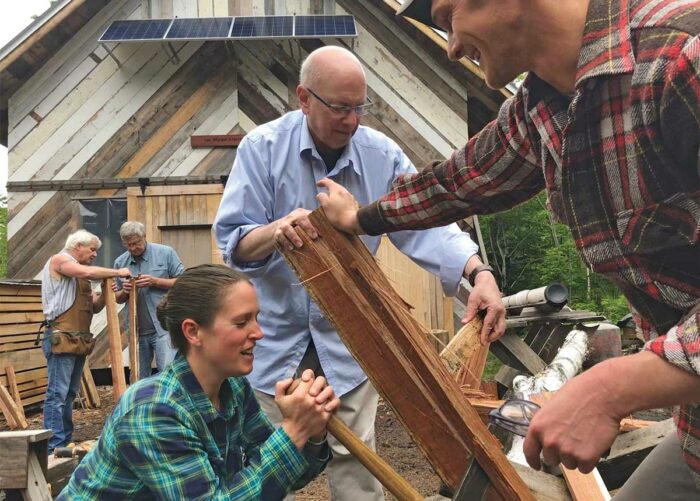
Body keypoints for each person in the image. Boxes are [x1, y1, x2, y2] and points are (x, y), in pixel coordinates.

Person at [317, 0, 700, 497]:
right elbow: (460, 181)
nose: (452, 48)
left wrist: (611, 388)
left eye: (447, 17)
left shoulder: (682, 57)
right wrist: (363, 218)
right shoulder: (543, 110)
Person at [213, 45, 505, 500]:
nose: (350, 121)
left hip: (349, 339)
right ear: (304, 98)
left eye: (358, 107)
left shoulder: (381, 155)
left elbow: (425, 225)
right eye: (339, 108)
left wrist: (477, 271)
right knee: (268, 459)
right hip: (270, 337)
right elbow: (234, 244)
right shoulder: (262, 149)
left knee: (358, 465)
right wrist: (275, 230)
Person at [58, 264, 339, 500]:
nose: (259, 333)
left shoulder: (234, 388)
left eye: (256, 318)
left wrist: (311, 431)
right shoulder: (155, 409)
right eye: (242, 323)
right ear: (193, 332)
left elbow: (282, 473)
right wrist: (293, 430)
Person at [41, 230, 131, 453]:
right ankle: (54, 444)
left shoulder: (81, 277)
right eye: (92, 249)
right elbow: (89, 271)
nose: (94, 254)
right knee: (57, 393)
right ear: (78, 245)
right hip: (62, 336)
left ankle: (65, 440)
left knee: (70, 393)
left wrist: (104, 290)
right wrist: (117, 271)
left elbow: (96, 307)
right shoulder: (61, 260)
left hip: (78, 339)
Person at [113, 221, 185, 378]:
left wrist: (156, 281)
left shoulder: (165, 253)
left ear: (144, 237)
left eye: (136, 243)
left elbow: (183, 282)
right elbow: (117, 298)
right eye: (128, 245)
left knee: (167, 373)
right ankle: (142, 402)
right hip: (136, 330)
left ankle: (167, 402)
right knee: (139, 376)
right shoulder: (120, 262)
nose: (133, 248)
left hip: (164, 328)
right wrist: (125, 291)